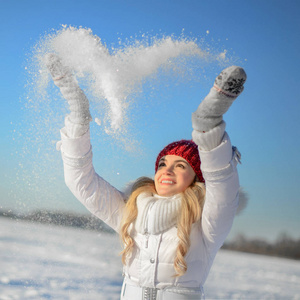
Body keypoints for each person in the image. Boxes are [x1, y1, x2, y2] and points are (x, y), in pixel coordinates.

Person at [46, 53, 246, 300]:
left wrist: (208, 125)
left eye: (181, 166)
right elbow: (81, 180)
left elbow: (222, 187)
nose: (167, 170)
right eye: (163, 163)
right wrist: (77, 114)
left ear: (197, 178)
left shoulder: (207, 221)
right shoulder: (131, 211)